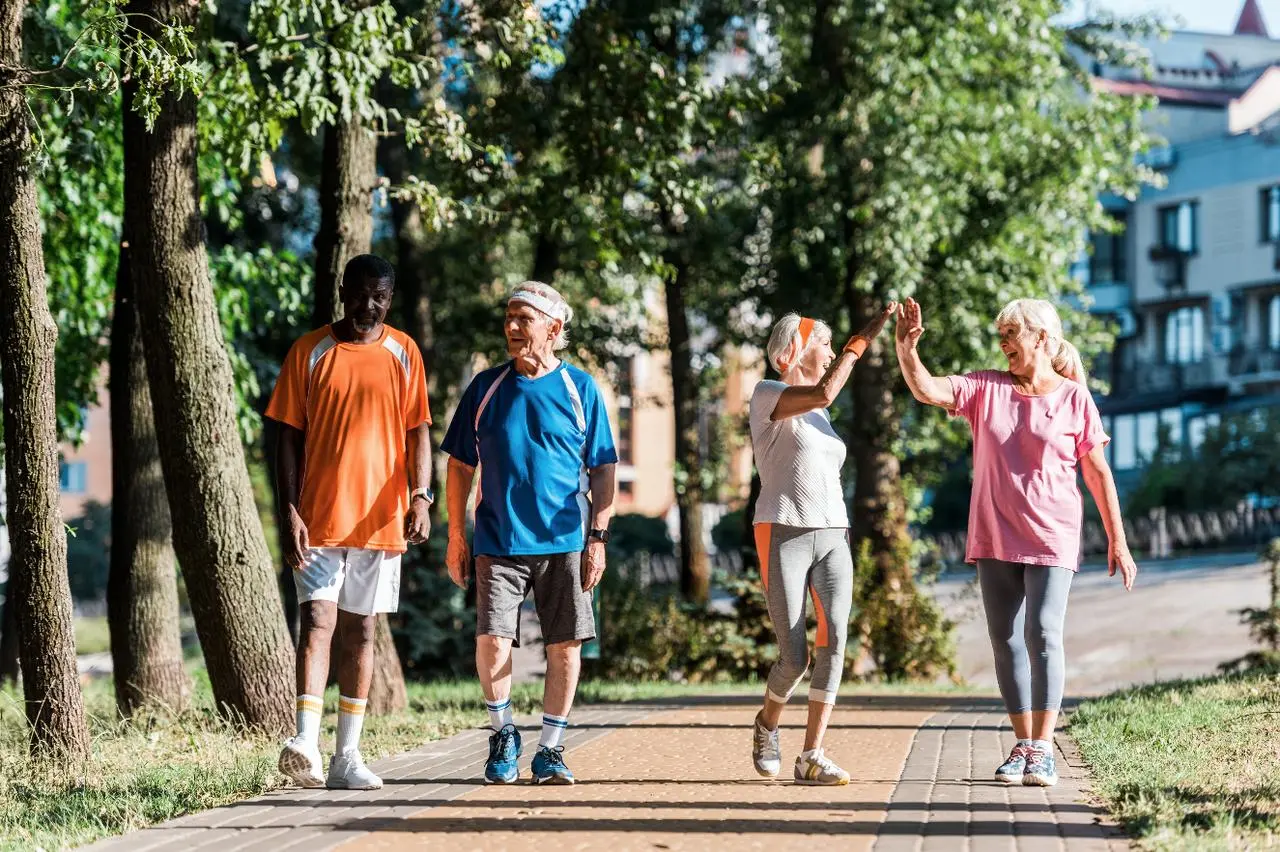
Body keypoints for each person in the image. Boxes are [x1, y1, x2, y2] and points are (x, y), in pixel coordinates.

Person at [894, 296, 1137, 787]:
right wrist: (907, 350)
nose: (1003, 342)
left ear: (1041, 338)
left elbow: (1097, 472)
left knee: (1042, 633)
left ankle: (1044, 747)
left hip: (1052, 534)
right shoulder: (985, 388)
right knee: (1005, 641)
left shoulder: (1074, 398)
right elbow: (927, 389)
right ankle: (1024, 744)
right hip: (994, 533)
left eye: (1012, 333)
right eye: (1001, 334)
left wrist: (1119, 539)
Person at [442, 281, 617, 786]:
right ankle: (503, 734)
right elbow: (459, 466)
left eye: (524, 319)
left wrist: (598, 537)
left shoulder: (580, 388)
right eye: (509, 319)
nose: (512, 328)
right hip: (498, 539)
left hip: (566, 540)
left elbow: (603, 467)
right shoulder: (486, 388)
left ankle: (551, 749)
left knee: (565, 645)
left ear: (553, 328)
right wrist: (456, 536)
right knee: (492, 639)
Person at [268, 254, 432, 791]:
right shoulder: (310, 350)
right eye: (360, 294)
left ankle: (347, 757)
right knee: (317, 621)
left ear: (390, 298)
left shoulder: (404, 352)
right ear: (343, 291)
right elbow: (286, 436)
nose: (369, 305)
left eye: (379, 297)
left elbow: (418, 431)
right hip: (317, 517)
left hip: (381, 520)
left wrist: (421, 497)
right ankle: (304, 743)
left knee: (362, 630)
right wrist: (288, 510)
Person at [748, 304, 896, 786]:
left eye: (835, 348)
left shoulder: (820, 417)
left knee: (834, 639)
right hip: (783, 531)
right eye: (825, 345)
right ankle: (767, 725)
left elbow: (825, 398)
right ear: (796, 350)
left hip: (834, 535)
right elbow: (826, 389)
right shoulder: (768, 394)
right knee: (794, 658)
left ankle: (811, 754)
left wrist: (856, 344)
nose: (832, 354)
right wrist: (860, 340)